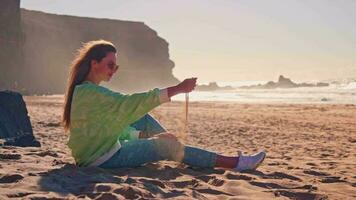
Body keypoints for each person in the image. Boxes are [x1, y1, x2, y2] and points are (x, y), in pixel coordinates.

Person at [62, 39, 266, 171]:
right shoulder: (90, 93)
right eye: (110, 65)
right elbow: (129, 103)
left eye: (116, 66)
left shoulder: (85, 91)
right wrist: (176, 89)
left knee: (141, 117)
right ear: (94, 63)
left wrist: (141, 135)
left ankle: (176, 148)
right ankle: (236, 163)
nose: (114, 70)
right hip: (101, 159)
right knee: (165, 144)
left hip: (99, 150)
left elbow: (110, 124)